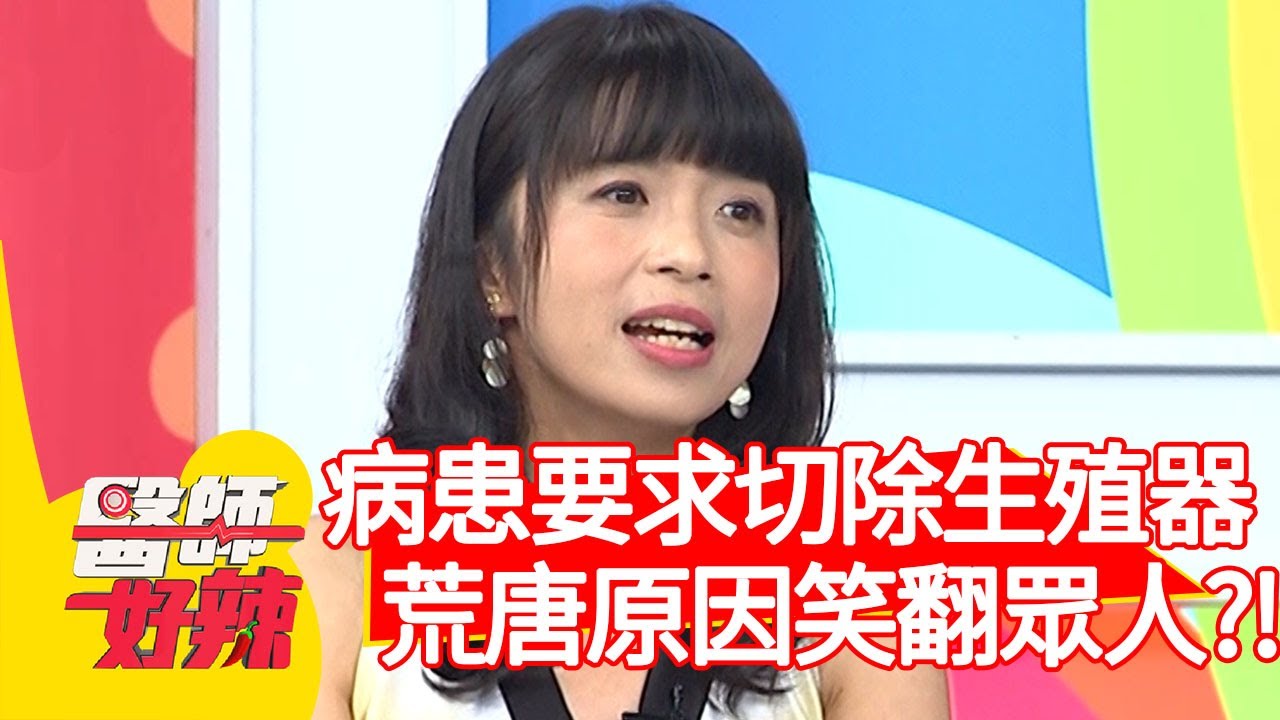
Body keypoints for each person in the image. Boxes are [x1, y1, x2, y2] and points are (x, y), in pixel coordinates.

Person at [293, 4, 951, 719]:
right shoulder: (327, 564)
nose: (690, 254)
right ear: (491, 271)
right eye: (624, 194)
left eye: (740, 211)